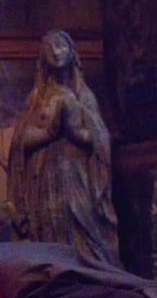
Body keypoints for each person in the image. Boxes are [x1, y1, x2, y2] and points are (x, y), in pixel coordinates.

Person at [7, 29, 121, 267]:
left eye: (60, 45)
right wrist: (49, 133)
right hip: (44, 179)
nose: (55, 51)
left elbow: (100, 139)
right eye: (49, 47)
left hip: (77, 177)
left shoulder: (84, 97)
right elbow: (20, 141)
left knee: (82, 223)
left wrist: (75, 132)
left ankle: (90, 271)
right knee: (50, 224)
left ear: (72, 53)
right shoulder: (37, 98)